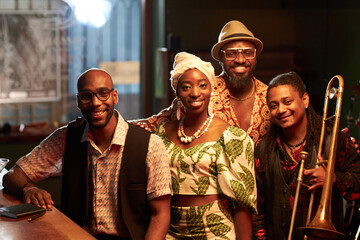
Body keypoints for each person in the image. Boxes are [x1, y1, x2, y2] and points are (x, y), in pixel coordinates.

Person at [3, 68, 172, 240]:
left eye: (103, 93)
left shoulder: (150, 145)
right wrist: (28, 188)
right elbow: (11, 176)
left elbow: (160, 215)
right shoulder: (66, 138)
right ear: (78, 101)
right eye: (86, 96)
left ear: (115, 96)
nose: (95, 103)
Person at [154, 51, 257, 239]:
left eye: (202, 86)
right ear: (177, 91)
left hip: (216, 232)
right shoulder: (161, 134)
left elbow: (241, 206)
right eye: (186, 87)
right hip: (171, 232)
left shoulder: (232, 137)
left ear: (211, 89)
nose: (195, 93)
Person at [255, 72, 360, 239]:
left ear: (305, 100)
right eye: (273, 106)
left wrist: (333, 179)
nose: (281, 110)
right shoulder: (263, 149)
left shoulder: (333, 138)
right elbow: (258, 209)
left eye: (287, 101)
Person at [133, 20, 271, 147]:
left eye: (248, 53)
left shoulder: (269, 97)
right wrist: (121, 125)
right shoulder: (202, 90)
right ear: (220, 58)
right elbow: (157, 123)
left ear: (255, 57)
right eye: (231, 53)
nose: (240, 59)